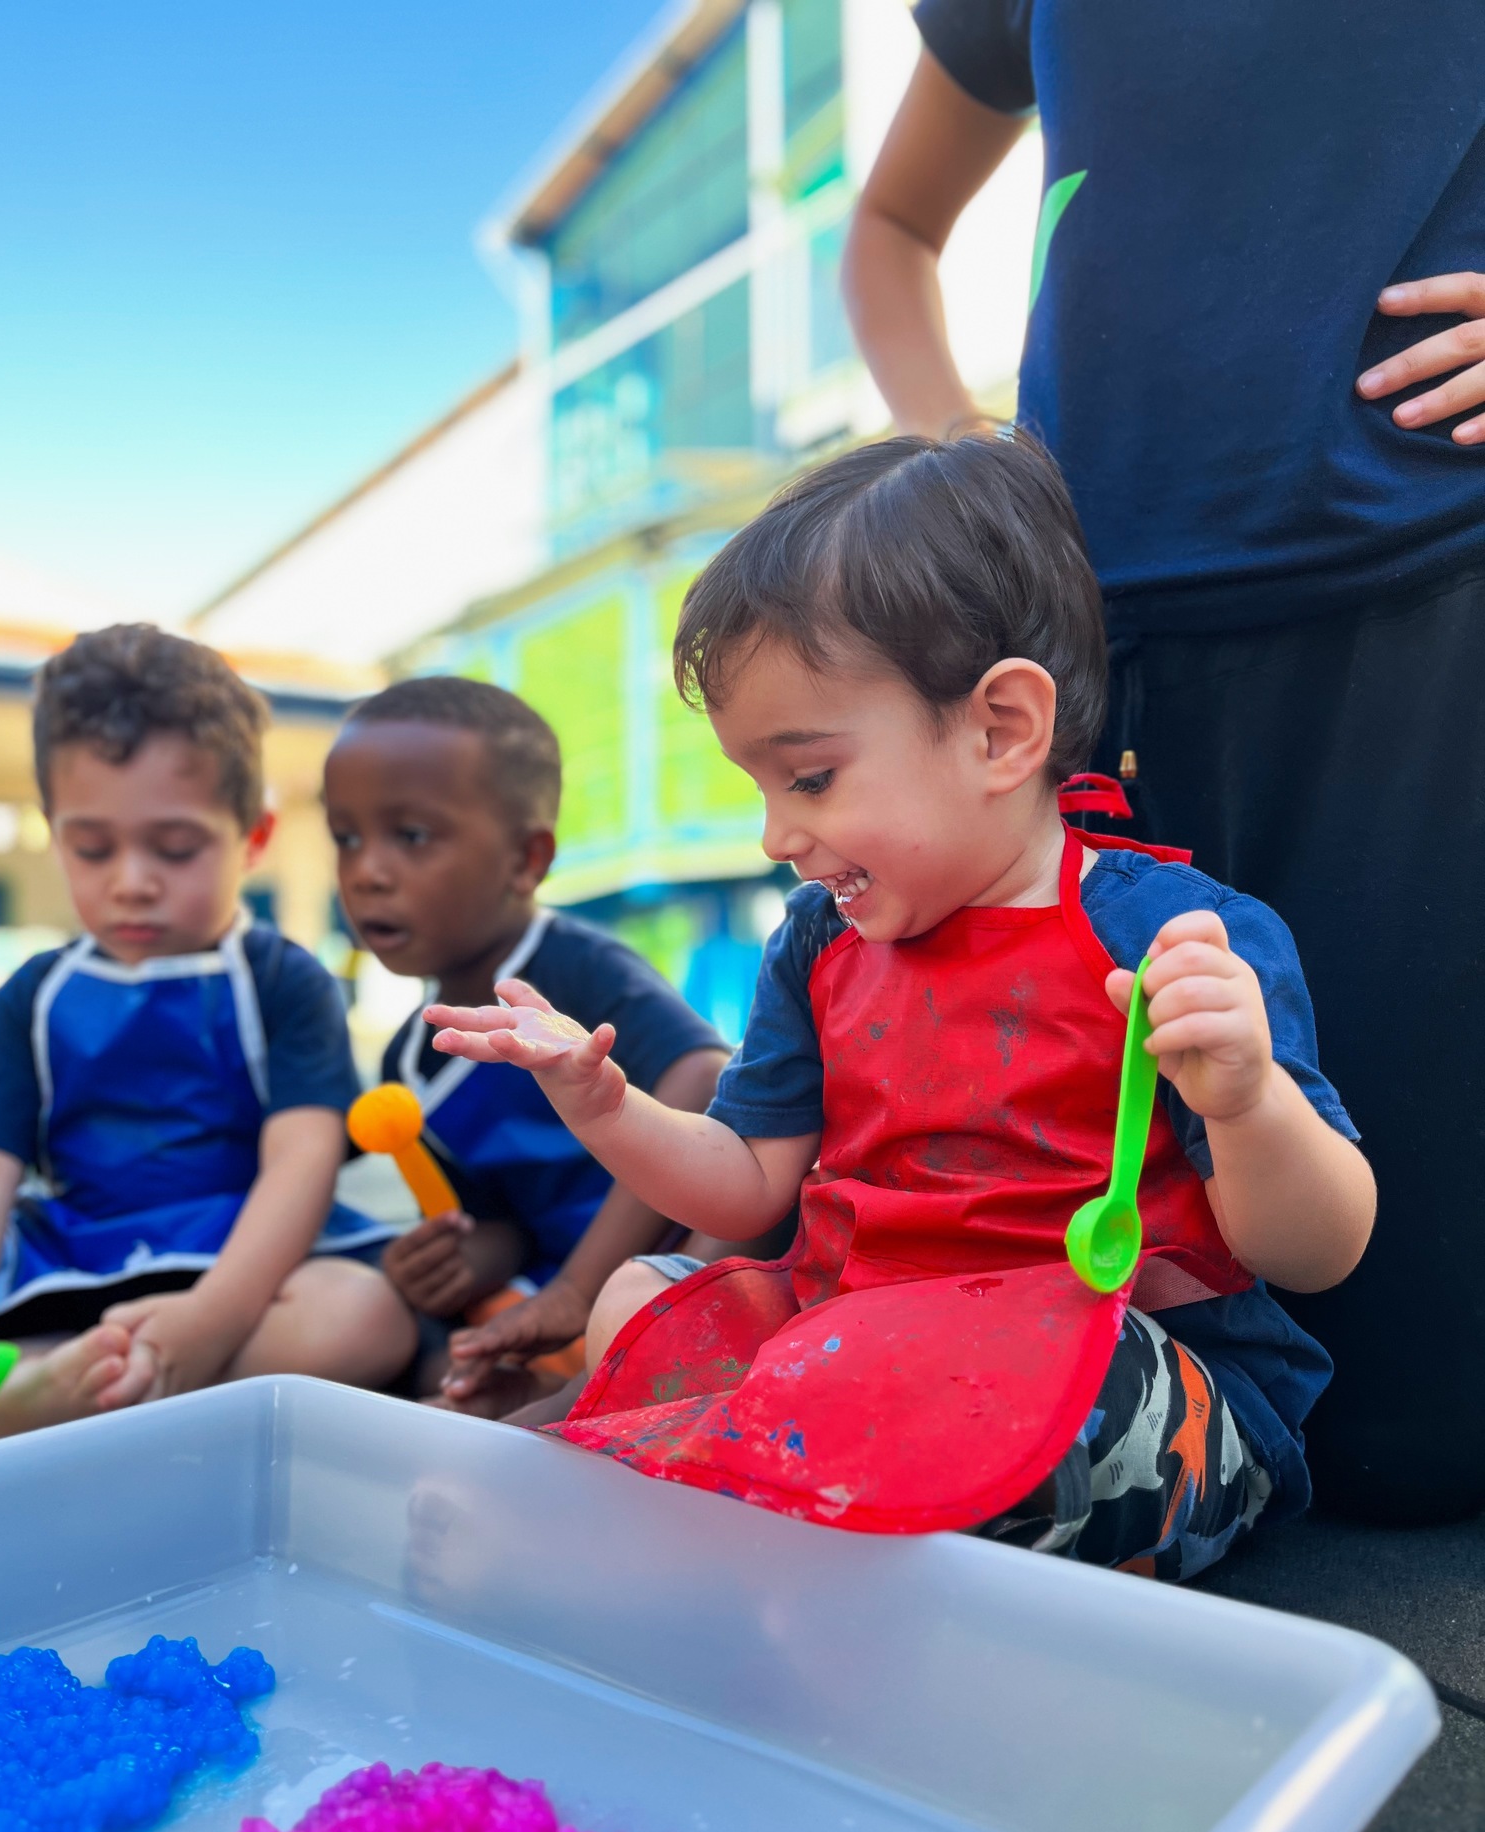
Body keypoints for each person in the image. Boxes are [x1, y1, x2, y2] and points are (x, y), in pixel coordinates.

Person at [425, 435, 1375, 1577]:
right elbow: (748, 1183)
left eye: (811, 777)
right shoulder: (822, 946)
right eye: (760, 788)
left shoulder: (1170, 938)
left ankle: (700, 1504)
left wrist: (1248, 1099)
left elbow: (1320, 1251)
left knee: (1032, 1402)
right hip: (849, 1353)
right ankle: (745, 1503)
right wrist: (604, 1102)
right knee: (644, 1295)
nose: (777, 836)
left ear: (1000, 731)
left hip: (1116, 1380)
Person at [840, 7, 1485, 1523]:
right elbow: (887, 226)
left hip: (1425, 580)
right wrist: (966, 467)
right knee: (1125, 1270)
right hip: (1098, 632)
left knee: (1418, 1432)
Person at [0, 625, 414, 1444]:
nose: (131, 883)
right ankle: (101, 1391)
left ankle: (66, 1402)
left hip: (243, 1269)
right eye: (92, 848)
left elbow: (303, 1159)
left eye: (175, 849)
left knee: (363, 1315)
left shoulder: (283, 980)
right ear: (53, 827)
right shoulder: (30, 998)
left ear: (252, 837)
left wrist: (213, 1317)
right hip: (72, 1268)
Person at [323, 677, 730, 1414]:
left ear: (525, 860)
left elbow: (702, 1075)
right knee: (446, 1373)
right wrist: (462, 1259)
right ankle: (563, 1396)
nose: (367, 872)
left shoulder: (577, 968)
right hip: (552, 1290)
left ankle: (584, 1396)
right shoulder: (414, 1058)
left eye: (410, 837)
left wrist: (580, 1290)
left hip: (675, 1260)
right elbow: (501, 1218)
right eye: (346, 837)